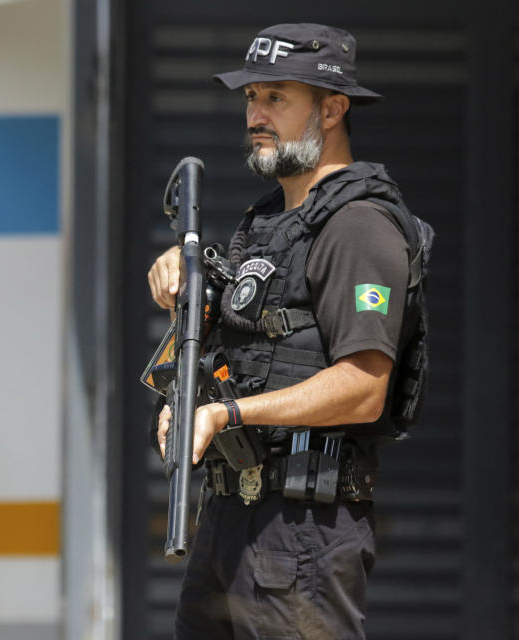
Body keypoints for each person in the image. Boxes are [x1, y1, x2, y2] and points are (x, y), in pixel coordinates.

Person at [147, 24, 426, 640]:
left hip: (302, 533)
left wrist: (227, 416)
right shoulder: (270, 223)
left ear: (332, 109)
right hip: (231, 518)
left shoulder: (358, 226)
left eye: (277, 97)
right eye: (251, 98)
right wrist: (186, 291)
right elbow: (255, 351)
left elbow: (362, 387)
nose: (256, 114)